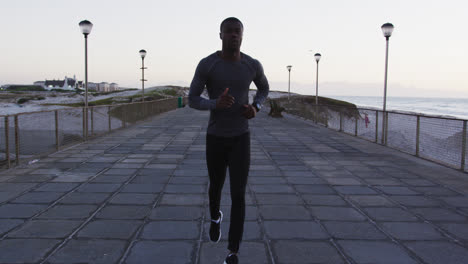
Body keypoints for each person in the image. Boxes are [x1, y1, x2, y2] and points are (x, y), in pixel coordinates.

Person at [188, 17, 269, 264]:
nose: (234, 35)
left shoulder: (251, 65)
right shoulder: (208, 64)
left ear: (242, 36)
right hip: (215, 137)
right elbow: (192, 98)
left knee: (238, 194)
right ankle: (215, 217)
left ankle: (233, 252)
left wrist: (256, 106)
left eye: (238, 32)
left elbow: (264, 89)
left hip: (240, 138)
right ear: (220, 35)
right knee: (215, 188)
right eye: (229, 32)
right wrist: (215, 103)